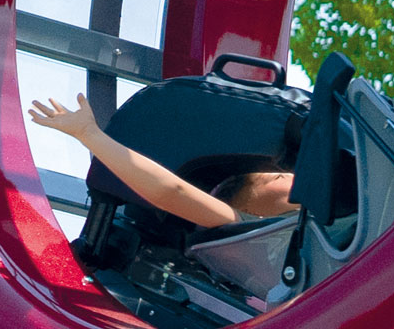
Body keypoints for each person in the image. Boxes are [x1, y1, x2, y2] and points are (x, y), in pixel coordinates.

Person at [28, 94, 296, 229]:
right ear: (249, 206)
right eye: (278, 177)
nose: (293, 176)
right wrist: (89, 135)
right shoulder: (243, 226)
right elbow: (169, 191)